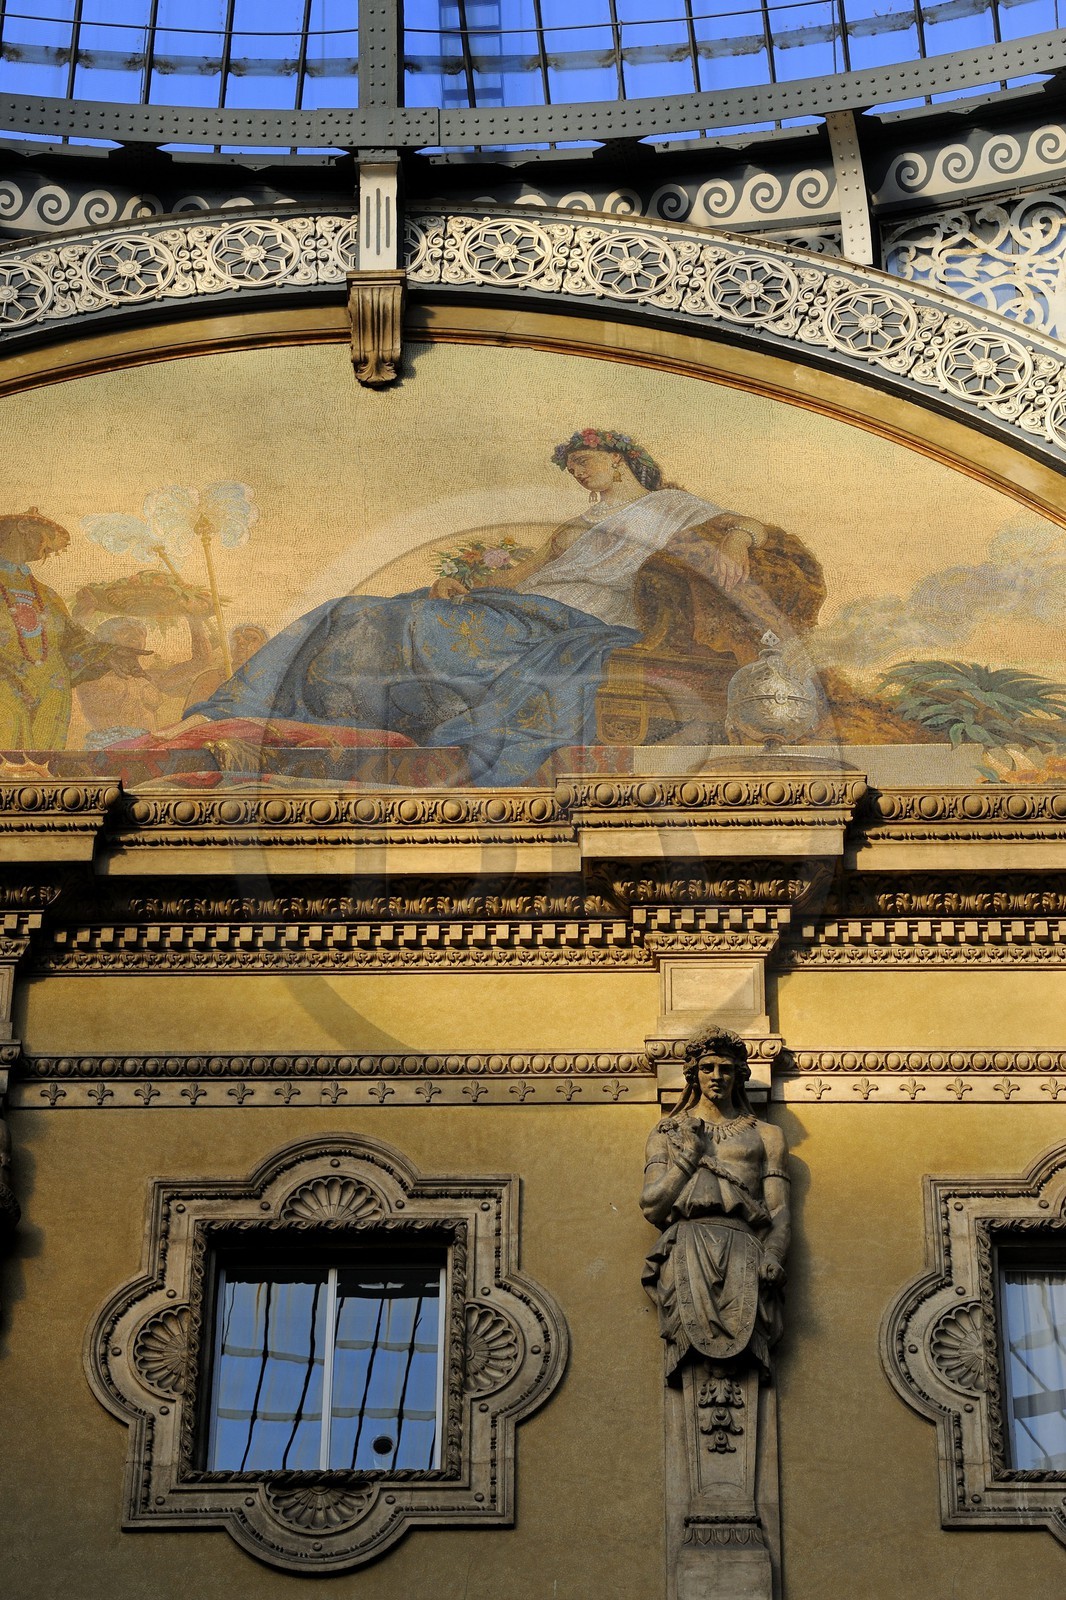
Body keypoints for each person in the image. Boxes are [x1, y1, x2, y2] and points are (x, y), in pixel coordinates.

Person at [147, 431, 820, 785]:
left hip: (580, 625)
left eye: (586, 463)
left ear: (620, 460)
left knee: (409, 628)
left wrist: (733, 538)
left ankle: (352, 721)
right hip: (518, 609)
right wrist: (461, 588)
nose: (580, 475)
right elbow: (527, 577)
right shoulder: (576, 525)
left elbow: (750, 525)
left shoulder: (670, 506)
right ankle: (240, 714)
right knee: (349, 611)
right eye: (576, 469)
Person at [640, 1027, 790, 1381]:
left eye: (726, 1068)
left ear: (740, 1073)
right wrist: (689, 1158)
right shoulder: (668, 1131)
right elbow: (651, 1205)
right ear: (694, 1074)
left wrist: (774, 1255)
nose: (717, 1076)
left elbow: (780, 1212)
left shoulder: (768, 1135)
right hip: (687, 1245)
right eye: (708, 1067)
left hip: (745, 1247)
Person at [0, 510, 148, 750]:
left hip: (51, 697)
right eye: (46, 538)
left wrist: (108, 654)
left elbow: (73, 641)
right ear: (24, 527)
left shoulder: (47, 595)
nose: (49, 549)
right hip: (6, 692)